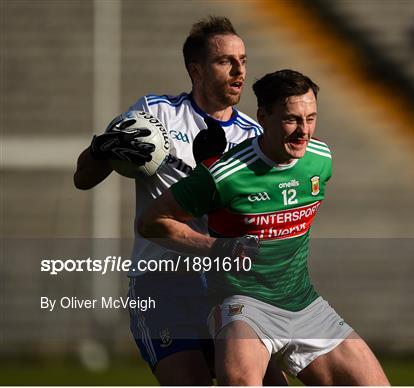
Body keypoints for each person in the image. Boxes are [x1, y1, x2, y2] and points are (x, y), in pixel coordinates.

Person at [138, 69, 390, 385]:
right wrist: (218, 248)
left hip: (304, 304)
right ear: (263, 116)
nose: (304, 131)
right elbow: (151, 222)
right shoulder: (225, 174)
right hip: (245, 307)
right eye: (291, 119)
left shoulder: (320, 159)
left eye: (310, 118)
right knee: (241, 381)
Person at [74, 16, 286, 386]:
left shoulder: (254, 137)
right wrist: (101, 151)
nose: (239, 71)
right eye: (225, 61)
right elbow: (83, 178)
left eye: (243, 60)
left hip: (230, 288)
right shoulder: (155, 114)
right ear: (196, 70)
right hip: (164, 287)